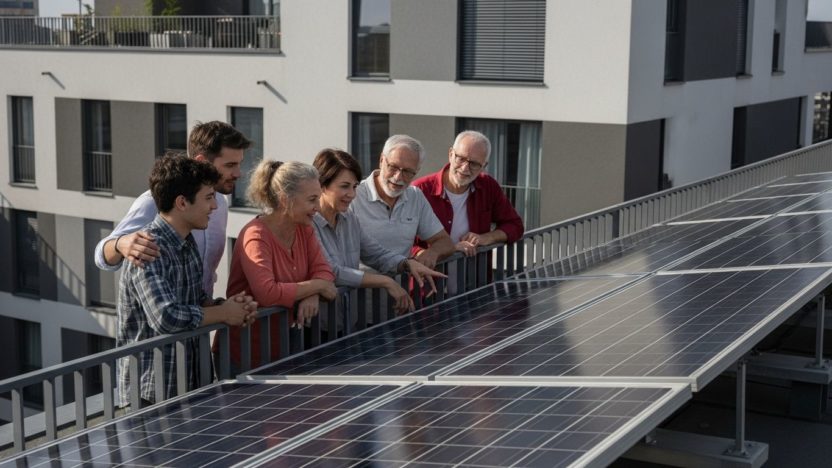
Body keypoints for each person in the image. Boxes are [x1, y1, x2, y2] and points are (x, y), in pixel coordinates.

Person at [117, 155, 257, 406]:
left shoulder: (187, 241)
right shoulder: (149, 249)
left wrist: (225, 306)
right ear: (182, 202)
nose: (214, 207)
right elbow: (166, 317)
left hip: (189, 384)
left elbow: (193, 302)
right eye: (208, 198)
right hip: (153, 393)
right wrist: (224, 314)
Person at [95, 121, 251, 297]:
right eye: (230, 165)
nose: (238, 173)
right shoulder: (152, 201)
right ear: (202, 162)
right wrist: (119, 244)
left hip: (202, 319)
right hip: (162, 319)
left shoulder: (220, 203)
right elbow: (101, 256)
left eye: (239, 164)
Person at [221, 160, 336, 369]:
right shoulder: (256, 235)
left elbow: (324, 270)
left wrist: (312, 294)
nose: (317, 208)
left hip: (283, 348)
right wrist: (318, 286)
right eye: (312, 200)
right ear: (285, 200)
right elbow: (267, 292)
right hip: (246, 353)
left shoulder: (304, 229)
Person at [312, 149, 446, 316]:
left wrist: (407, 263)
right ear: (322, 185)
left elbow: (376, 253)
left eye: (354, 187)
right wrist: (385, 281)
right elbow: (332, 272)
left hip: (348, 321)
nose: (352, 194)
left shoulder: (350, 219)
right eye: (344, 186)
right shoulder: (308, 224)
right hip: (316, 326)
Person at [349, 135, 454, 270]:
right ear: (381, 160)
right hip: (359, 289)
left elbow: (445, 242)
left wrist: (432, 253)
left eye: (408, 171)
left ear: (417, 171)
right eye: (393, 167)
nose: (398, 177)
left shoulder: (415, 196)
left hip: (400, 289)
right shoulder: (353, 195)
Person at [413, 130, 524, 256]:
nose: (465, 168)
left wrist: (488, 237)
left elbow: (515, 225)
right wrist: (442, 252)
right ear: (451, 154)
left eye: (474, 164)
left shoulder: (488, 186)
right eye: (461, 159)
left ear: (484, 165)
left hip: (475, 274)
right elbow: (402, 244)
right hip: (430, 274)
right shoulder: (419, 190)